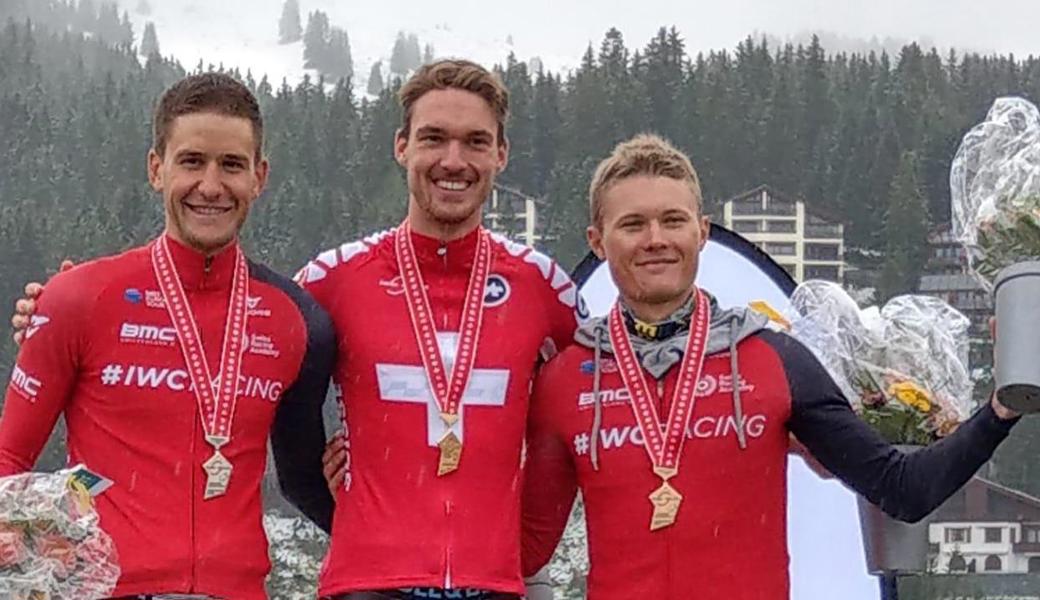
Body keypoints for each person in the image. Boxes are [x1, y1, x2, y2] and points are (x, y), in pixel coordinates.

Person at [518, 134, 1020, 599]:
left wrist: (1003, 403)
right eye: (632, 224)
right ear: (597, 240)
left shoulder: (773, 357)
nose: (655, 239)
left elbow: (903, 490)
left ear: (702, 232)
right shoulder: (564, 377)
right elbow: (525, 551)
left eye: (673, 220)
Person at [0, 72, 335, 600]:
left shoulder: (291, 320)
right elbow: (7, 465)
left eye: (231, 165)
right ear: (157, 169)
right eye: (191, 161)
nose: (210, 185)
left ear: (259, 176)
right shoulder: (77, 298)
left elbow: (306, 472)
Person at [287, 59, 584, 600]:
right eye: (433, 138)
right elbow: (240, 363)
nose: (454, 161)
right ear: (402, 147)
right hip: (367, 585)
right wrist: (351, 514)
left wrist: (531, 538)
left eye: (475, 141)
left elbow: (607, 401)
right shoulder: (334, 277)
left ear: (501, 154)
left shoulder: (543, 286)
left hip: (498, 583)